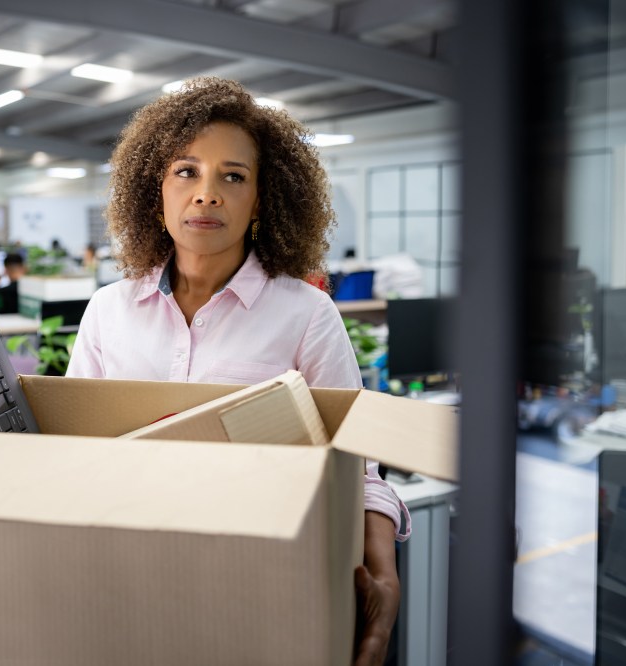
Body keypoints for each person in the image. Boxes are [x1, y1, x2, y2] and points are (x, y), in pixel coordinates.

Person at [66, 77, 409, 665]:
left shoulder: (305, 314)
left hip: (261, 579)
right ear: (156, 193)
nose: (206, 194)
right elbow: (70, 448)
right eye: (186, 171)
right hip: (125, 576)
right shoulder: (107, 311)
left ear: (260, 201)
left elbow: (359, 467)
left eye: (233, 176)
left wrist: (385, 581)